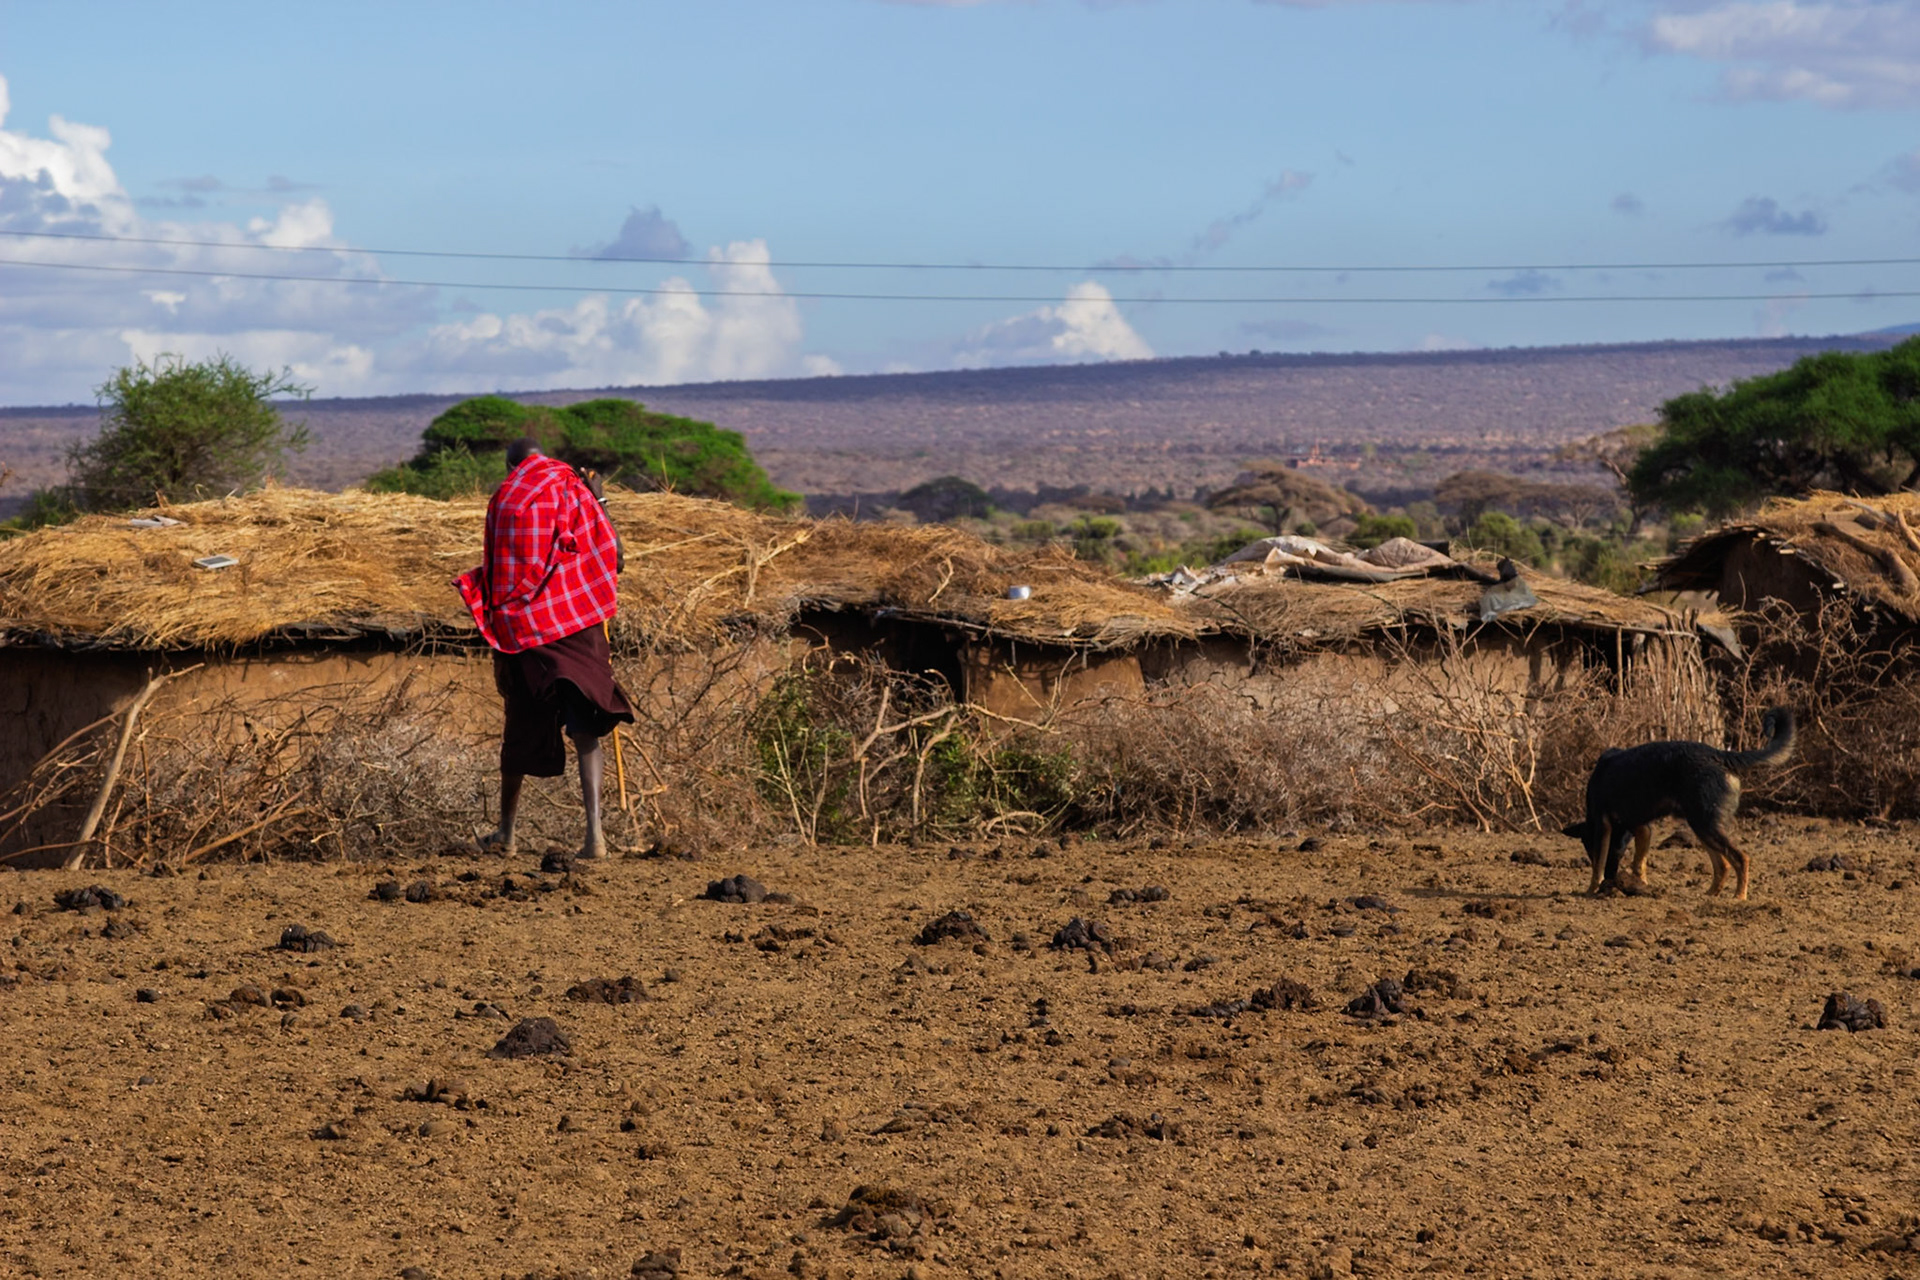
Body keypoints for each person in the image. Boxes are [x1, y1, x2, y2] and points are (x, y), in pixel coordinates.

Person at [455, 438, 633, 858]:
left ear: (510, 465)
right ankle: (595, 839)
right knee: (586, 727)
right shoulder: (575, 489)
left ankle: (506, 834)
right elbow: (616, 558)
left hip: (525, 630)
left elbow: (498, 574)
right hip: (578, 623)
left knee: (520, 725)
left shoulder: (503, 500)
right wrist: (599, 496)